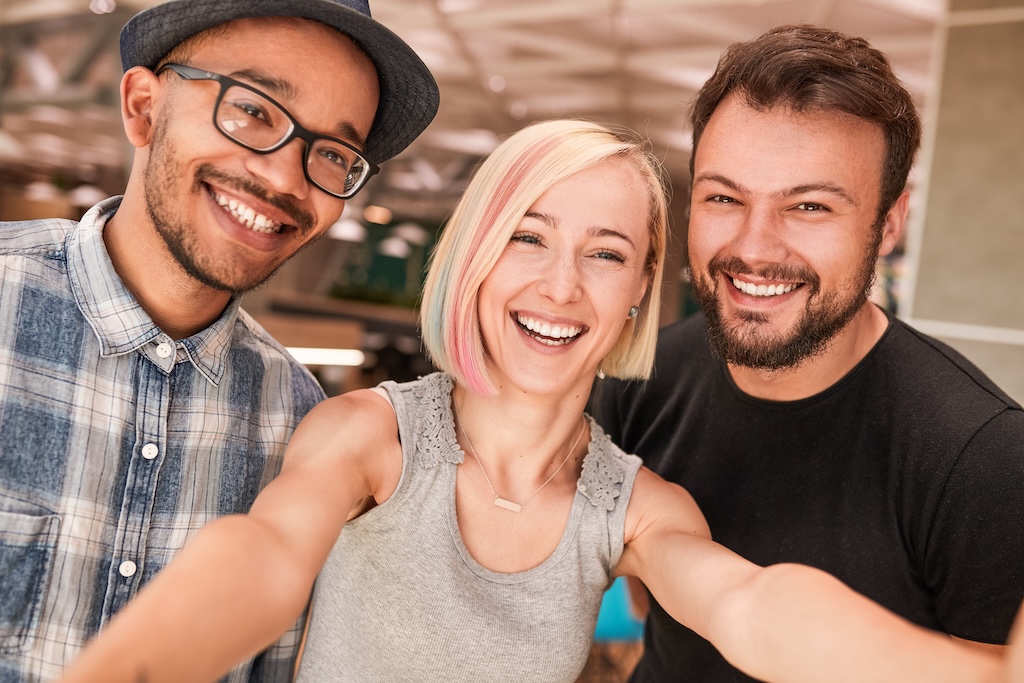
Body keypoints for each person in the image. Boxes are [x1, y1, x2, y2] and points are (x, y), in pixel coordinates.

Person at [57, 119, 1003, 683]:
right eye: (528, 238)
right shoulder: (369, 439)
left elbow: (755, 605)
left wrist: (992, 672)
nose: (560, 288)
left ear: (640, 286)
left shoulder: (636, 506)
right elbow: (260, 560)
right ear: (474, 253)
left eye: (605, 253)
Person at [0, 0, 438, 680]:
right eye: (254, 110)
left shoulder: (303, 425)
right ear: (143, 107)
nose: (285, 179)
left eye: (331, 153)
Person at [588, 23, 1024, 683]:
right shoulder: (639, 376)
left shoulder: (983, 457)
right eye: (724, 197)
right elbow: (647, 601)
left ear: (889, 223)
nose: (755, 247)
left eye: (810, 205)